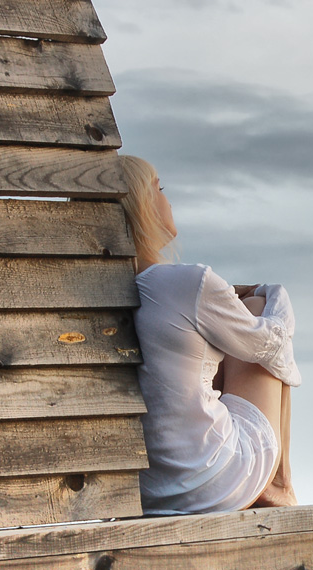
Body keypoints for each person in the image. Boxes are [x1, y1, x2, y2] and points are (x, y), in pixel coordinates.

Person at [118, 154, 299, 513]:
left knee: (209, 342)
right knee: (260, 312)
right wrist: (269, 292)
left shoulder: (108, 292)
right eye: (160, 189)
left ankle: (278, 484)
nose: (167, 200)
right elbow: (270, 344)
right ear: (142, 205)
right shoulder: (188, 283)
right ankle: (281, 484)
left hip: (152, 491)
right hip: (213, 481)